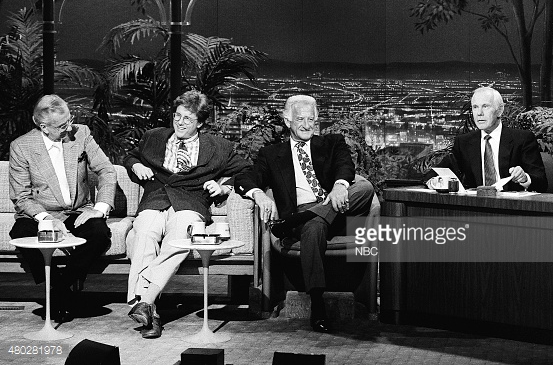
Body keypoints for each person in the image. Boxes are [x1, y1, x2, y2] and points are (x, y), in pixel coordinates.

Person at [234, 94, 375, 333]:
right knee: (314, 226)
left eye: (312, 119)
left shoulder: (331, 143)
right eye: (300, 119)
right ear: (287, 121)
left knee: (365, 188)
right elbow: (246, 177)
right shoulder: (272, 154)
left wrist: (340, 185)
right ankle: (317, 304)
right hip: (305, 216)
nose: (307, 125)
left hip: (338, 208)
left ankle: (307, 217)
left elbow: (345, 166)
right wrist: (258, 194)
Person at [124, 90, 250, 339]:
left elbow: (247, 169)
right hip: (155, 197)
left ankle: (144, 300)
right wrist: (135, 165)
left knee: (178, 239)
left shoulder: (218, 147)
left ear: (200, 123)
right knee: (144, 234)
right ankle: (150, 309)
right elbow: (131, 157)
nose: (179, 123)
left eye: (187, 119)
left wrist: (224, 186)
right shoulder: (153, 137)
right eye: (177, 116)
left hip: (190, 202)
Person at [9, 94, 116, 322]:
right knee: (21, 234)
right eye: (62, 125)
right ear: (43, 126)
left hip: (77, 211)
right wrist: (47, 219)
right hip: (40, 213)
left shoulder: (81, 133)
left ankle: (57, 290)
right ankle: (60, 290)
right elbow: (21, 197)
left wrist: (101, 206)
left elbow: (106, 170)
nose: (69, 127)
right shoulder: (21, 147)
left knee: (98, 234)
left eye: (70, 120)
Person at [427, 87, 547, 192]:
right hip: (477, 209)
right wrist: (435, 182)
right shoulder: (464, 142)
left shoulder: (522, 139)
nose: (479, 113)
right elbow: (435, 173)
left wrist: (524, 178)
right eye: (475, 107)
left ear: (499, 110)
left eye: (485, 106)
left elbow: (541, 182)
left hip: (512, 209)